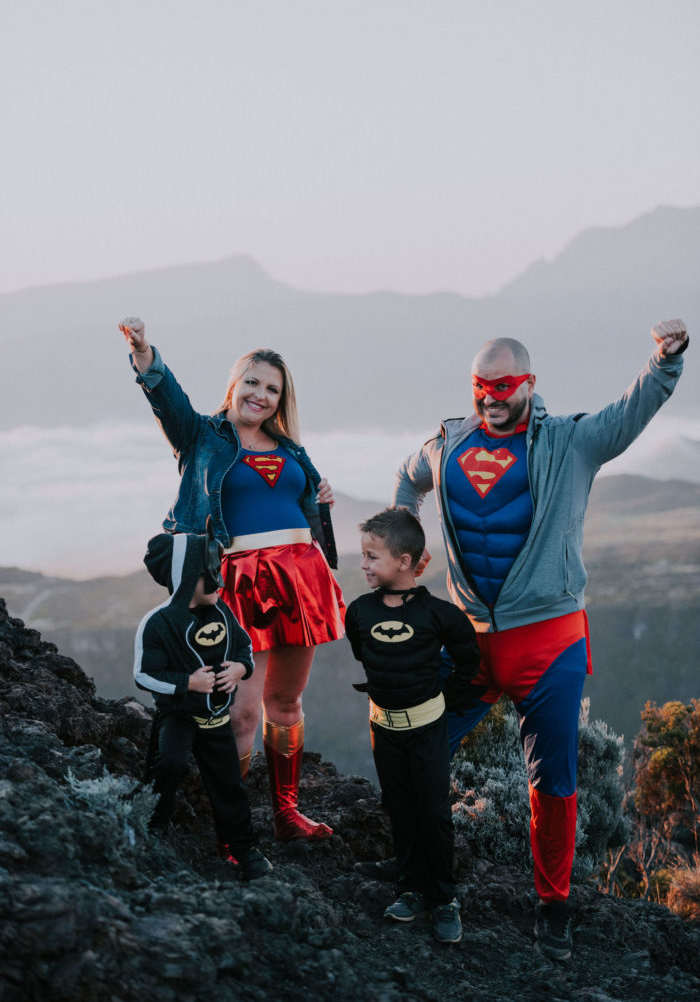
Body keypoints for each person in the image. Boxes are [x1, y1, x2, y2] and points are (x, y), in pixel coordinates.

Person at [392, 319, 689, 960]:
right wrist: (401, 545)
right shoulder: (447, 442)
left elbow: (629, 413)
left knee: (552, 779)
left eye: (503, 384)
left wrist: (665, 362)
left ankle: (554, 907)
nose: (490, 396)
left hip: (548, 641)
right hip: (470, 640)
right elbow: (407, 478)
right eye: (480, 385)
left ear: (529, 383)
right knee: (417, 752)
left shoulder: (570, 442)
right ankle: (422, 880)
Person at [120, 317, 345, 842]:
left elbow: (302, 507)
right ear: (234, 384)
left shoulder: (291, 448)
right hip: (238, 581)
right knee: (241, 712)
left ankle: (287, 815)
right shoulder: (202, 436)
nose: (260, 395)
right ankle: (233, 831)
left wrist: (321, 497)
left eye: (272, 388)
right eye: (252, 382)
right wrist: (145, 355)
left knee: (287, 703)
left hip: (299, 579)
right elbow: (166, 401)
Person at [344, 508, 481, 945]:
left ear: (405, 561)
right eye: (363, 556)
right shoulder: (359, 611)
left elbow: (468, 664)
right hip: (383, 729)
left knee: (435, 815)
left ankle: (443, 899)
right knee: (399, 809)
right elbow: (365, 655)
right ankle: (409, 889)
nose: (363, 564)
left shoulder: (441, 616)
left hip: (427, 731)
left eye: (372, 556)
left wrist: (442, 701)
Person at [134, 526, 272, 880]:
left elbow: (244, 647)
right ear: (183, 577)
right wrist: (187, 683)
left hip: (216, 721)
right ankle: (153, 828)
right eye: (209, 574)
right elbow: (144, 675)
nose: (218, 582)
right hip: (178, 716)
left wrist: (241, 668)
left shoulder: (223, 612)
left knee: (229, 785)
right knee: (169, 765)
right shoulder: (158, 623)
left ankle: (243, 847)